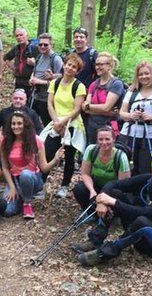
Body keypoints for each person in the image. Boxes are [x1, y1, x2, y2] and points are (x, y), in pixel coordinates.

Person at [73, 151, 152, 267]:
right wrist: (101, 201)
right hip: (139, 231)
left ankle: (103, 254)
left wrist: (113, 202)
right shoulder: (150, 180)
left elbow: (146, 213)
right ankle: (95, 241)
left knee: (141, 221)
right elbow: (114, 184)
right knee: (114, 193)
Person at [0, 112, 61, 219]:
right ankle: (21, 198)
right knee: (7, 211)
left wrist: (55, 160)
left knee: (25, 174)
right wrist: (12, 187)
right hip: (15, 180)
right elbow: (5, 167)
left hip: (33, 179)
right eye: (13, 124)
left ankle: (27, 203)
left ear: (25, 124)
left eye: (19, 123)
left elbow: (44, 168)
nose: (16, 126)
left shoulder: (35, 140)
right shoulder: (6, 141)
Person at [46, 53, 87, 198]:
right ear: (64, 65)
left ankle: (64, 185)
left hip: (72, 123)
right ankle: (41, 184)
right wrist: (56, 122)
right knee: (48, 152)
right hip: (56, 121)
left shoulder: (79, 86)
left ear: (77, 71)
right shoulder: (54, 83)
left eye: (74, 67)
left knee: (69, 155)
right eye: (68, 64)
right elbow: (50, 103)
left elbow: (77, 109)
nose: (70, 68)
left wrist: (62, 123)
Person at [119, 61, 152, 175]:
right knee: (127, 168)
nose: (143, 76)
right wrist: (131, 116)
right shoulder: (131, 93)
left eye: (147, 73)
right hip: (128, 135)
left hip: (151, 137)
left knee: (146, 169)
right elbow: (122, 113)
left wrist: (151, 117)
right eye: (140, 74)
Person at [72, 126, 130, 211]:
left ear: (113, 139)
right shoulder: (91, 150)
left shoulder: (121, 157)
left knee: (117, 193)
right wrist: (92, 190)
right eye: (100, 139)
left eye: (107, 139)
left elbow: (123, 185)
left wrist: (104, 198)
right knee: (79, 189)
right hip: (95, 185)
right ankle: (90, 211)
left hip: (113, 190)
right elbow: (85, 173)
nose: (104, 142)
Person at [82, 52, 125, 145]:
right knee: (92, 151)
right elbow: (85, 109)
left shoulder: (116, 84)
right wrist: (105, 111)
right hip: (92, 127)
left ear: (109, 66)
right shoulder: (93, 84)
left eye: (101, 64)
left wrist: (89, 106)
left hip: (108, 128)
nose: (97, 67)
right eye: (96, 64)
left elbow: (106, 107)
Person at [29, 33, 64, 127]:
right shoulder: (39, 57)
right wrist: (32, 78)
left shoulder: (56, 59)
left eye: (45, 44)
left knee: (48, 125)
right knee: (30, 123)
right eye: (40, 44)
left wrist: (40, 82)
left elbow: (61, 80)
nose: (42, 47)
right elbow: (35, 72)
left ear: (51, 45)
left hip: (48, 99)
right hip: (35, 96)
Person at [3, 28, 38, 102]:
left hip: (30, 81)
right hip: (19, 80)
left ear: (27, 36)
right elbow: (6, 58)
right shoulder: (16, 48)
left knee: (28, 102)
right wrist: (14, 68)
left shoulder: (34, 48)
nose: (19, 37)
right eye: (17, 36)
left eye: (21, 35)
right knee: (18, 101)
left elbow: (42, 64)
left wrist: (34, 63)